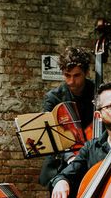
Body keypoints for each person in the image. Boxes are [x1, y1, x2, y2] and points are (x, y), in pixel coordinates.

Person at [39, 46, 96, 189]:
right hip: (60, 164)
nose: (71, 81)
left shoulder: (98, 92)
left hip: (92, 161)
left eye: (77, 76)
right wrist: (71, 157)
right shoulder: (54, 97)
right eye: (67, 75)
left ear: (86, 72)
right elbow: (52, 135)